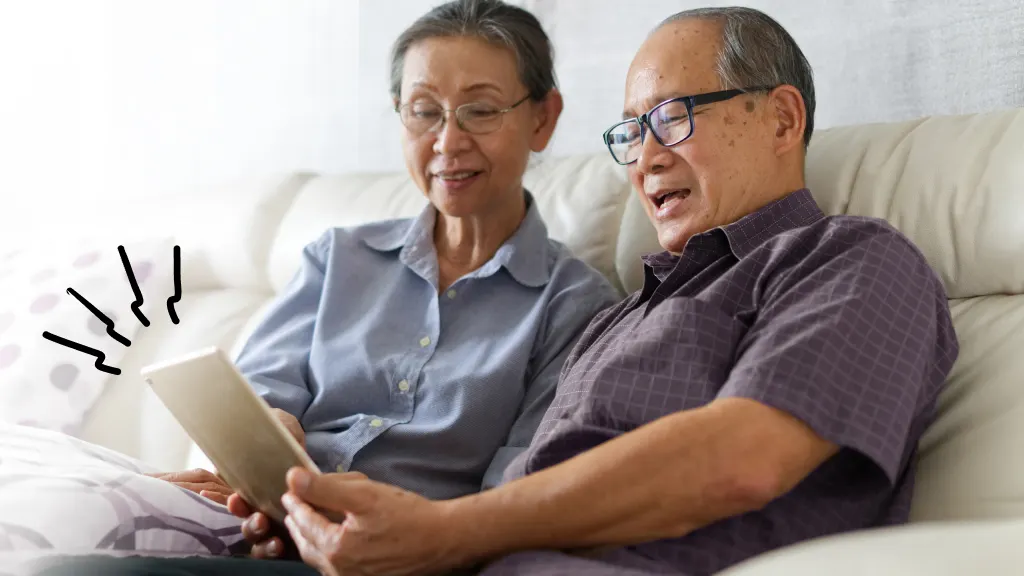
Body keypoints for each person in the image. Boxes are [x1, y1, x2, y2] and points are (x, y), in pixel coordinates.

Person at [36, 5, 959, 576]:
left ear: (782, 116)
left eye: (673, 118)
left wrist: (440, 536)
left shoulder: (850, 259)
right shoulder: (633, 308)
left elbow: (743, 458)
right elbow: (500, 491)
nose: (645, 157)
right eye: (630, 131)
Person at [147, 0, 617, 523]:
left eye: (480, 110)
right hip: (268, 521)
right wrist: (264, 441)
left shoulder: (576, 304)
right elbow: (258, 390)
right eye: (423, 111)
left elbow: (518, 491)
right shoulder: (338, 258)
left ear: (542, 118)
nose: (447, 142)